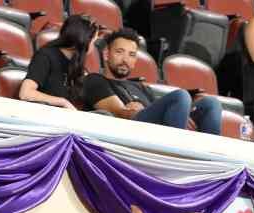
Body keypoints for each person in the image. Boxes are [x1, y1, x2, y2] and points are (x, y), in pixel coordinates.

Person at [82, 29, 222, 134]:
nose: (125, 60)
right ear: (106, 54)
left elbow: (161, 115)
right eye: (119, 52)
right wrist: (139, 111)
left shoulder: (142, 87)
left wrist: (181, 115)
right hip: (129, 132)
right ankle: (174, 155)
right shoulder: (94, 80)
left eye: (131, 55)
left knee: (211, 103)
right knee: (181, 96)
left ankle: (212, 160)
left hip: (155, 131)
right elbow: (120, 113)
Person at [19, 15, 98, 110]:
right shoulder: (46, 56)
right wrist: (62, 102)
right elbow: (25, 93)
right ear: (85, 40)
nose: (93, 46)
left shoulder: (76, 64)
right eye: (93, 41)